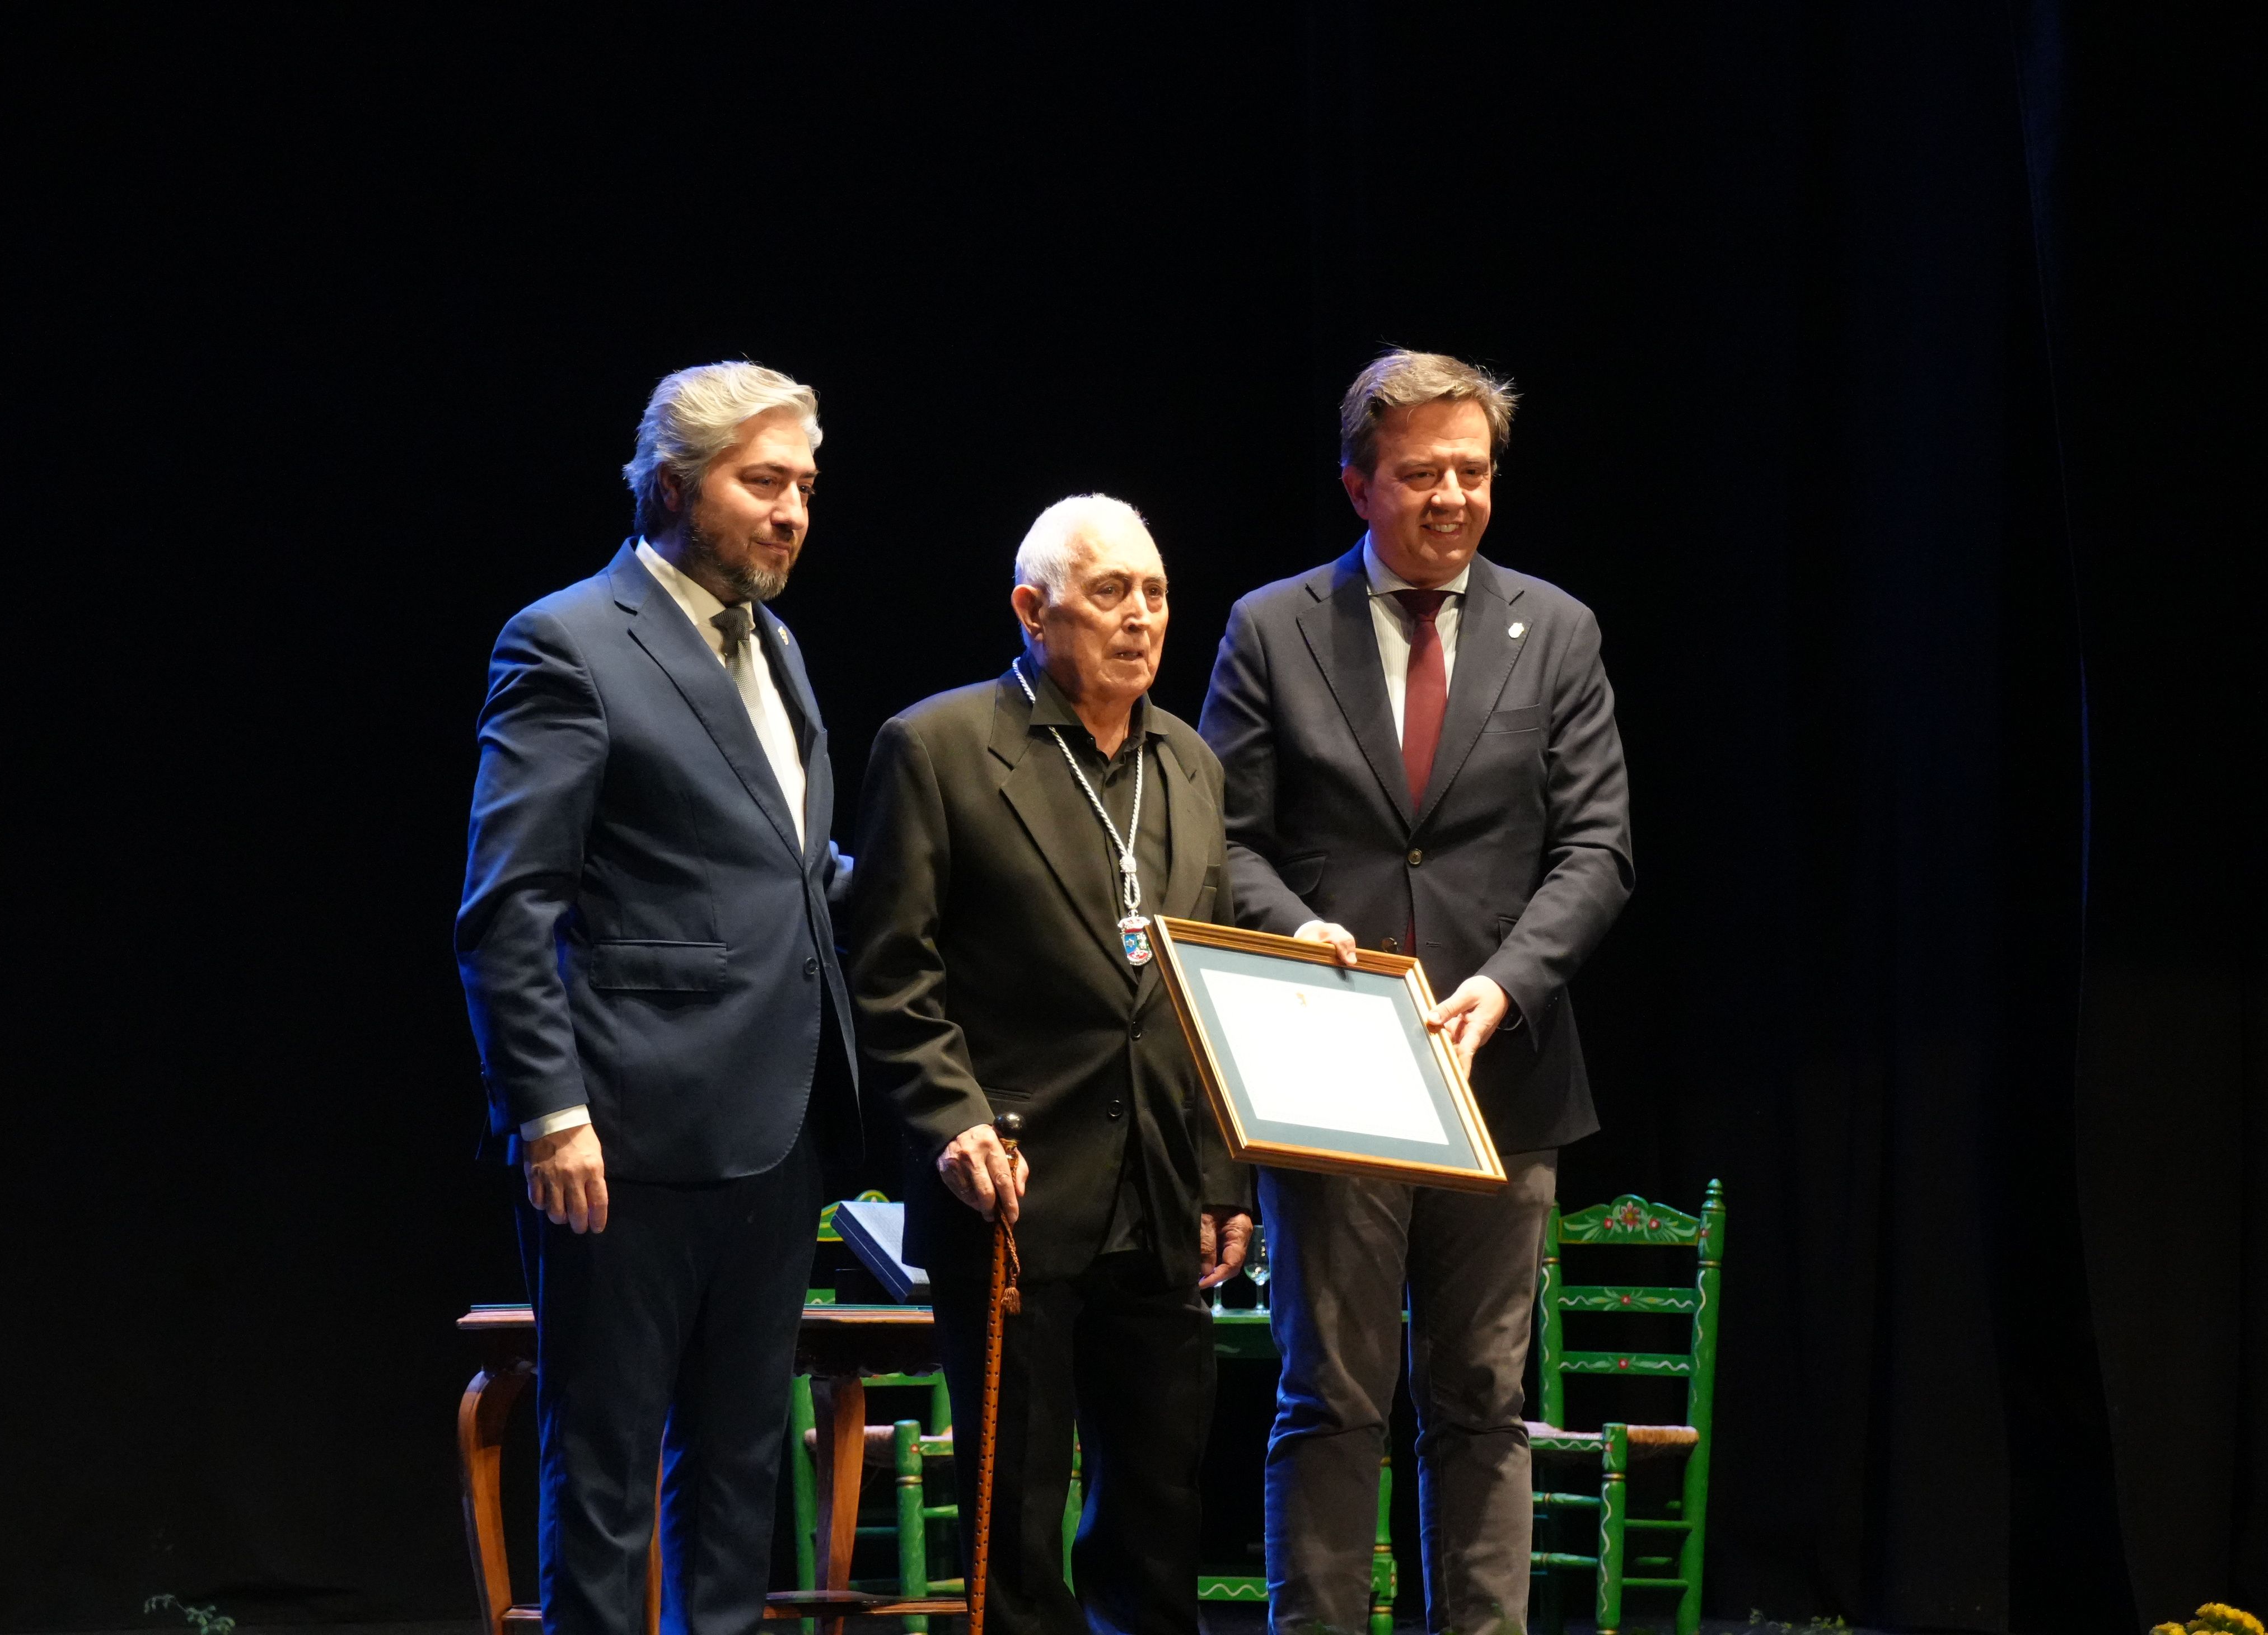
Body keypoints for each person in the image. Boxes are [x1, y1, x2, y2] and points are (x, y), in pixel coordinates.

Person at [1198, 350, 1634, 1635]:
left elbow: (1598, 847)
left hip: (1501, 1074)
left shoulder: (1553, 628)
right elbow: (1220, 837)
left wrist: (1504, 984)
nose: (1450, 496)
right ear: (1356, 484)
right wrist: (1300, 929)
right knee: (1327, 1393)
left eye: (1472, 470)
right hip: (1332, 1067)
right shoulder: (1272, 626)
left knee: (1480, 1397)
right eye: (1419, 473)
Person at [455, 360, 856, 1635]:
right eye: (762, 482)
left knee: (741, 1464)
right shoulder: (567, 639)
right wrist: (551, 1113)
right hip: (623, 1136)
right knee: (610, 1464)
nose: (791, 509)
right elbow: (506, 908)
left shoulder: (777, 645)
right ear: (675, 485)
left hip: (774, 1122)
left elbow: (791, 870)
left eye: (802, 484)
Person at [850, 494, 1254, 1635]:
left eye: (1157, 593)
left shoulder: (1188, 759)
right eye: (1110, 593)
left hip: (1162, 1188)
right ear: (1033, 610)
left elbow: (1200, 984)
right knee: (1016, 1518)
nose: (1141, 618)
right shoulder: (936, 747)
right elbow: (890, 970)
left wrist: (1225, 1174)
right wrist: (952, 1121)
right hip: (1011, 1188)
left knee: (1161, 1508)